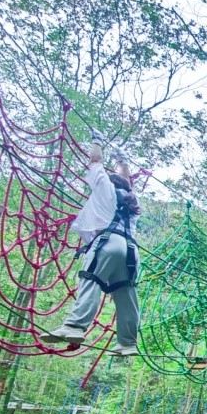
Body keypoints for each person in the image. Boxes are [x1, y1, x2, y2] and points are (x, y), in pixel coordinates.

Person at [45, 144, 140, 356]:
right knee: (126, 294)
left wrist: (97, 143)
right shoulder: (132, 202)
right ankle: (128, 343)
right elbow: (127, 182)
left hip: (107, 243)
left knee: (91, 280)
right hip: (131, 250)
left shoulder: (104, 189)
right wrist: (122, 160)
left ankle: (74, 326)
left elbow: (96, 161)